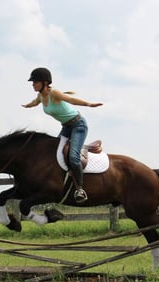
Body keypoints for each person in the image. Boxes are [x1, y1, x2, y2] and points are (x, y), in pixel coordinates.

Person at [22, 67, 102, 203]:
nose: (33, 84)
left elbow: (71, 100)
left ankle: (80, 189)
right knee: (53, 154)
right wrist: (28, 106)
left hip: (78, 126)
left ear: (44, 82)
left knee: (73, 156)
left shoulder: (55, 93)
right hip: (66, 127)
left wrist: (89, 104)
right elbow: (35, 102)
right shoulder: (40, 96)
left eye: (35, 82)